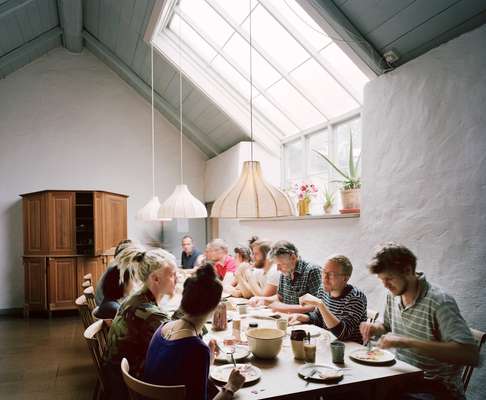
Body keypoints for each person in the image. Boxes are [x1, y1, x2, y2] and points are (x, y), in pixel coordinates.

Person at [360, 243, 479, 400]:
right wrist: (374, 328)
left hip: (438, 389)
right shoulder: (393, 295)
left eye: (389, 278)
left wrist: (407, 342)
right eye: (382, 279)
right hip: (403, 377)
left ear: (408, 270)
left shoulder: (440, 302)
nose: (385, 285)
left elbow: (469, 354)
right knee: (354, 391)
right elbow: (387, 326)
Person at [144, 263, 245, 399]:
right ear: (215, 307)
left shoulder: (164, 328)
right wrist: (231, 387)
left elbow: (180, 368)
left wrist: (208, 359)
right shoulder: (196, 349)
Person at [103, 246, 179, 399]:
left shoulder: (136, 297)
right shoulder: (150, 314)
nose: (177, 279)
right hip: (131, 388)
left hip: (117, 378)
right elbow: (180, 344)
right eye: (172, 275)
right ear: (155, 279)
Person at [288, 255, 367, 343]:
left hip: (348, 349)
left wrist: (320, 304)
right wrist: (303, 317)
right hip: (327, 342)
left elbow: (343, 334)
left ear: (345, 278)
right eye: (324, 272)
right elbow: (319, 318)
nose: (325, 278)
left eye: (331, 274)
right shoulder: (323, 289)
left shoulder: (356, 298)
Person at [250, 241, 321, 313]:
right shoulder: (286, 271)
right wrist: (263, 299)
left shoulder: (312, 271)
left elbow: (315, 306)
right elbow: (280, 297)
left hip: (306, 321)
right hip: (288, 317)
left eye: (281, 264)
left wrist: (281, 307)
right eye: (277, 264)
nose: (278, 269)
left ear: (293, 257)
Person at [95, 239, 133, 305]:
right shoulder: (118, 269)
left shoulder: (114, 264)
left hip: (103, 305)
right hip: (108, 309)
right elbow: (128, 293)